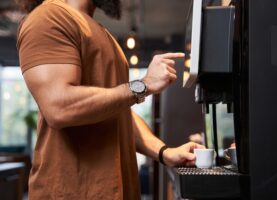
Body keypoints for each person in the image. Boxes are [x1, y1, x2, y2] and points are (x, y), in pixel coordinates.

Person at [16, 0, 204, 199]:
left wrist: (165, 152)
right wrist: (143, 85)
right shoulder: (49, 18)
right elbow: (59, 106)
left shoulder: (101, 32)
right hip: (73, 192)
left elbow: (118, 113)